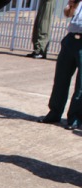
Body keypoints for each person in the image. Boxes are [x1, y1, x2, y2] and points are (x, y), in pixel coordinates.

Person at [38, 0, 82, 129]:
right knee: (61, 79)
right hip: (71, 39)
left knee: (81, 85)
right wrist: (72, 5)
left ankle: (75, 118)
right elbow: (68, 14)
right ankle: (54, 112)